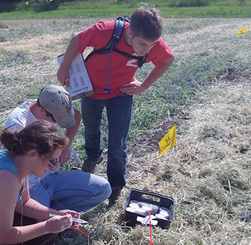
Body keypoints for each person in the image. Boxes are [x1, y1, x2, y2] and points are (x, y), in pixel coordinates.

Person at [57, 7, 174, 205]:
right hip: (91, 91)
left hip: (121, 94)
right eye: (143, 44)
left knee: (118, 143)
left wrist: (144, 85)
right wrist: (64, 68)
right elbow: (77, 40)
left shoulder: (151, 43)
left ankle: (116, 185)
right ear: (130, 33)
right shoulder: (106, 31)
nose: (147, 50)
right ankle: (92, 159)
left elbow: (167, 60)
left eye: (152, 45)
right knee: (91, 130)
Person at [5, 85, 111, 212]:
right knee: (40, 228)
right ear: (42, 111)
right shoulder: (17, 124)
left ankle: (55, 211)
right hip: (30, 185)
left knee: (103, 189)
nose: (56, 124)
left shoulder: (56, 105)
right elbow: (12, 166)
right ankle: (47, 213)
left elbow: (76, 117)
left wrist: (66, 146)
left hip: (52, 177)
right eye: (56, 120)